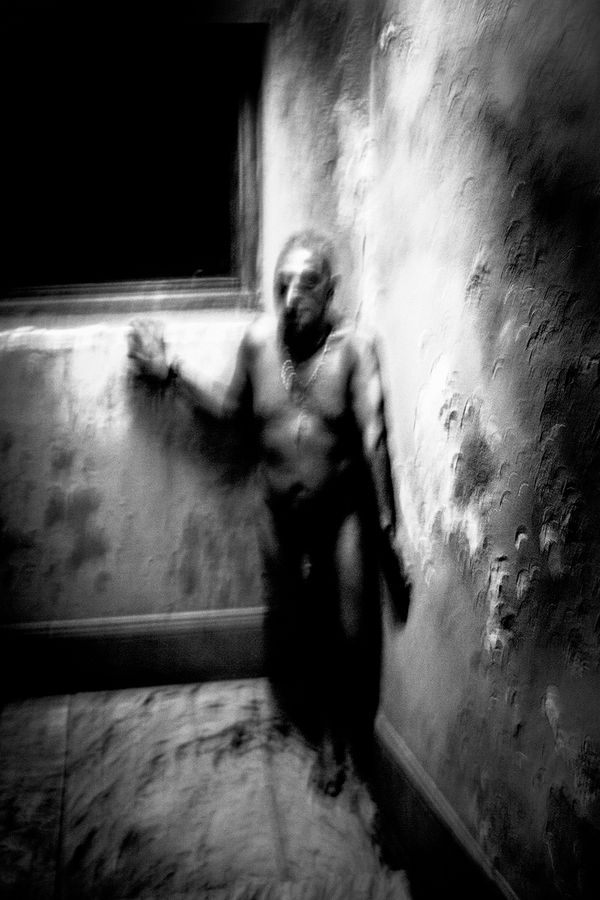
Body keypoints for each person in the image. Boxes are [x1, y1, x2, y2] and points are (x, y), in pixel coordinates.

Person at [128, 229, 410, 795]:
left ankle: (336, 741)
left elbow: (374, 436)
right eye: (282, 285)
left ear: (331, 290)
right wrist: (172, 372)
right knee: (295, 617)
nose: (291, 298)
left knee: (350, 631)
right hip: (278, 509)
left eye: (306, 284)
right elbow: (231, 413)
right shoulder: (258, 343)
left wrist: (386, 528)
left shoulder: (354, 350)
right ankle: (311, 722)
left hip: (342, 514)